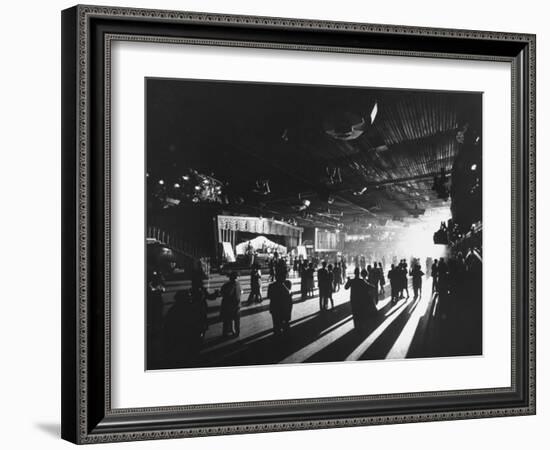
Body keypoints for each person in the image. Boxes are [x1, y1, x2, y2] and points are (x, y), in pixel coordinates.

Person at [345, 268, 377, 333]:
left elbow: (346, 287)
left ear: (354, 273)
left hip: (353, 300)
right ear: (359, 273)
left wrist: (348, 280)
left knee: (355, 314)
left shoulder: (351, 281)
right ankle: (361, 327)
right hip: (360, 300)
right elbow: (370, 287)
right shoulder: (362, 281)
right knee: (360, 313)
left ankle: (356, 327)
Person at [220, 272, 242, 337]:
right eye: (236, 277)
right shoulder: (237, 284)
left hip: (231, 305)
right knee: (234, 320)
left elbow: (223, 293)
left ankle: (230, 331)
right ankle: (234, 332)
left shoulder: (227, 285)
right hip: (233, 305)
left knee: (229, 320)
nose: (237, 278)